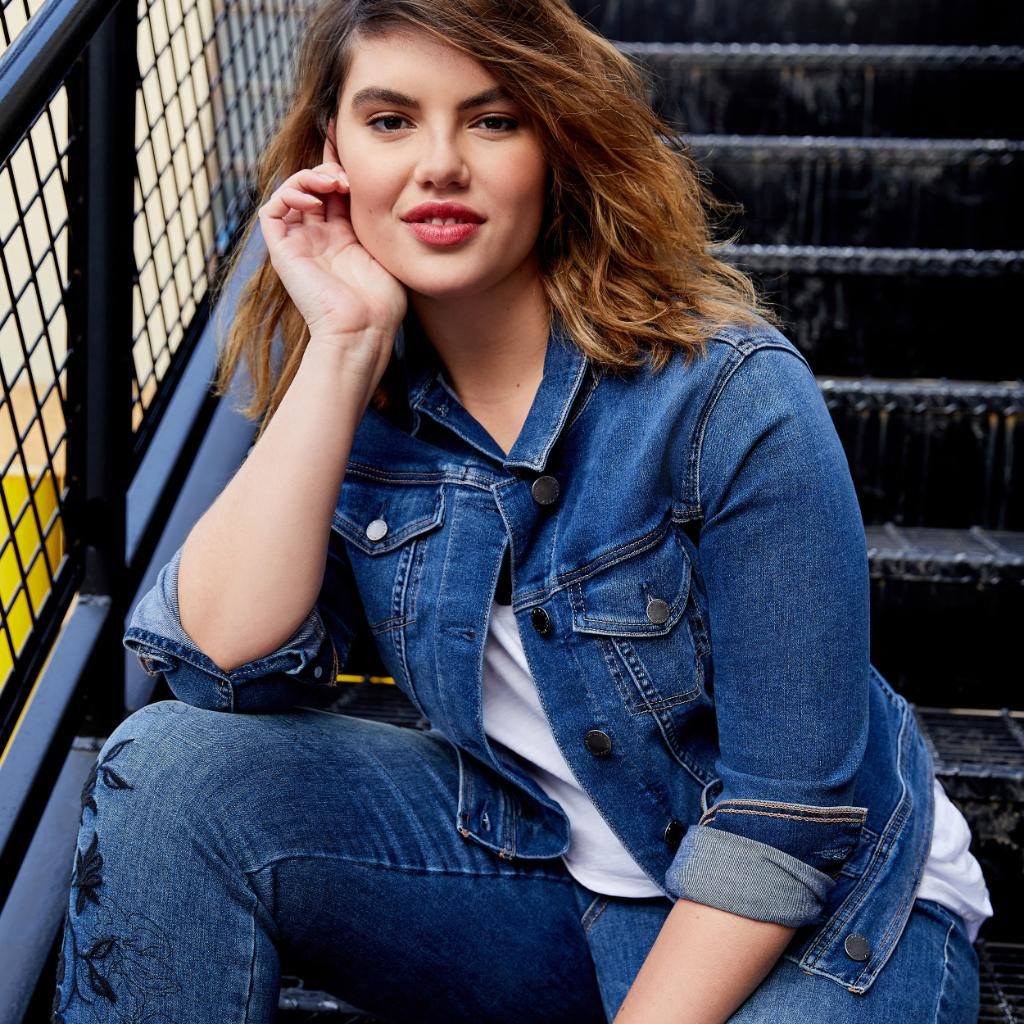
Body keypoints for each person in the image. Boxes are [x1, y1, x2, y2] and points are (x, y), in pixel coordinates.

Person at [51, 1, 992, 1021]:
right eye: (390, 120)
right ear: (332, 153)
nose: (440, 163)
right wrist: (342, 346)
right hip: (547, 887)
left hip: (814, 918)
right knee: (172, 773)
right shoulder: (361, 404)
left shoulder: (725, 393)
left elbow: (791, 822)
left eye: (493, 120)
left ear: (555, 146)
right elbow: (216, 666)